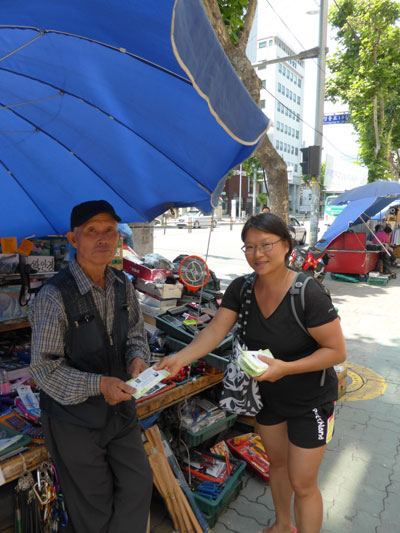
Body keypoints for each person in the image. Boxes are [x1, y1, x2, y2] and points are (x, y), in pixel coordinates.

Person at [156, 213, 346, 533]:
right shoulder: (242, 289)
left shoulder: (307, 293)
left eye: (266, 245)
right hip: (267, 399)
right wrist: (181, 357)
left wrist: (286, 369)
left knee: (303, 483)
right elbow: (215, 331)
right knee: (278, 465)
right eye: (250, 247)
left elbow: (336, 352)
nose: (258, 254)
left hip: (310, 401)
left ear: (286, 245)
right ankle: (283, 525)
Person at [29, 200, 153, 533]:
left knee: (138, 485)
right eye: (91, 231)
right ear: (73, 239)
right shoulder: (53, 297)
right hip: (73, 422)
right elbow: (44, 370)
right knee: (94, 509)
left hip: (120, 413)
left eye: (109, 230)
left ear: (119, 237)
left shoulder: (122, 284)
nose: (102, 239)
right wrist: (98, 385)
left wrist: (138, 359)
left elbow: (137, 336)